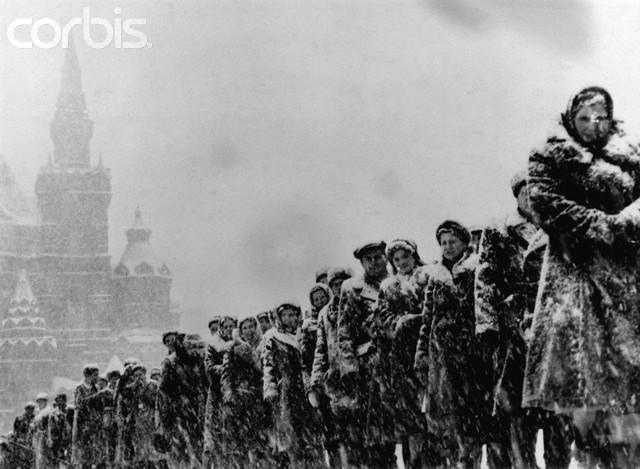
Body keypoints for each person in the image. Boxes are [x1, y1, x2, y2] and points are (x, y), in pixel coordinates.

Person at [523, 86, 640, 468]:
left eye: (601, 117)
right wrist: (601, 225)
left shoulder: (632, 156)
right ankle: (589, 454)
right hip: (574, 282)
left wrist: (625, 223)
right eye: (585, 118)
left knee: (627, 394)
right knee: (581, 392)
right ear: (571, 119)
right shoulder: (548, 155)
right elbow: (545, 203)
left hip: (625, 285)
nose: (593, 124)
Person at [474, 172, 543, 469]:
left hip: (548, 322)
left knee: (554, 406)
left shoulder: (556, 225)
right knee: (514, 406)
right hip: (512, 324)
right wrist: (488, 323)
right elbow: (485, 278)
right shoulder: (499, 228)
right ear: (516, 195)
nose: (533, 195)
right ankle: (523, 462)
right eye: (526, 190)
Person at [414, 221, 491, 468]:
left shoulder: (476, 268)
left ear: (464, 242)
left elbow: (484, 310)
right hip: (442, 360)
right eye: (443, 242)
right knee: (445, 424)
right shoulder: (435, 276)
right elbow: (428, 318)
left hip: (470, 358)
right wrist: (422, 355)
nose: (448, 247)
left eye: (452, 241)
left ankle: (471, 462)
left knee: (471, 421)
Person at [337, 240, 397, 469]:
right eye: (368, 259)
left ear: (385, 257)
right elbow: (344, 332)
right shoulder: (352, 288)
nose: (374, 263)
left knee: (409, 428)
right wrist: (351, 368)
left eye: (378, 257)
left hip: (399, 366)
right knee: (377, 435)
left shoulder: (398, 280)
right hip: (371, 369)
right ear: (361, 263)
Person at [378, 238, 428, 469]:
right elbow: (383, 319)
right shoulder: (388, 286)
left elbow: (435, 309)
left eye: (405, 257)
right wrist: (401, 324)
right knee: (410, 420)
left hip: (428, 351)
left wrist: (416, 321)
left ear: (414, 255)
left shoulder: (429, 276)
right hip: (402, 357)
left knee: (431, 415)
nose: (401, 263)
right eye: (396, 259)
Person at [262, 302, 324, 468]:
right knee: (291, 437)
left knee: (313, 433)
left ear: (297, 316)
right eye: (284, 315)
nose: (288, 319)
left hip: (307, 388)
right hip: (287, 390)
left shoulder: (305, 333)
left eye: (292, 315)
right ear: (279, 318)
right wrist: (270, 389)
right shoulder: (273, 337)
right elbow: (269, 366)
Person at [309, 266, 352, 468]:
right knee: (335, 434)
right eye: (330, 284)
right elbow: (320, 350)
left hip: (355, 376)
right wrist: (316, 381)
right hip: (332, 381)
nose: (334, 287)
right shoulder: (323, 315)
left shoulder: (353, 302)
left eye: (336, 283)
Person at [218, 316, 269, 467]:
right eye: (244, 328)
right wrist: (229, 395)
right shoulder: (232, 349)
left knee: (262, 445)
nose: (248, 331)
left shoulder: (265, 344)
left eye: (251, 327)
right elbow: (226, 375)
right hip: (240, 401)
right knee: (240, 445)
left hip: (260, 399)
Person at [156, 333, 207, 468]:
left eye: (195, 346)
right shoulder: (171, 362)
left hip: (197, 415)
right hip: (177, 416)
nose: (193, 349)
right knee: (180, 455)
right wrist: (165, 420)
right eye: (189, 346)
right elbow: (163, 393)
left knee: (198, 453)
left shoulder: (200, 361)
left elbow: (205, 386)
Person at [203, 316, 236, 468]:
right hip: (217, 393)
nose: (229, 329)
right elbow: (209, 367)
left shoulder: (238, 343)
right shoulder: (212, 346)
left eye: (232, 326)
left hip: (235, 392)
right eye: (226, 327)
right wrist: (224, 368)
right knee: (215, 432)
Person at [72, 364, 108, 469]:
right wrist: (98, 396)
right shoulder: (80, 388)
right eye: (95, 375)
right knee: (86, 457)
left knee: (99, 455)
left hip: (96, 426)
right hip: (84, 427)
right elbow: (81, 404)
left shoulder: (95, 388)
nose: (97, 377)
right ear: (88, 375)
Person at [300, 283, 331, 390]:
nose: (320, 301)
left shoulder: (335, 315)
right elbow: (306, 357)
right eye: (316, 299)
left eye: (322, 297)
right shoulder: (309, 326)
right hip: (320, 370)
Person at [12, 402, 36, 469]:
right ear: (25, 409)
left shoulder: (36, 419)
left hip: (32, 445)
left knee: (31, 463)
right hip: (21, 445)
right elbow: (15, 432)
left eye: (31, 409)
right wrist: (17, 441)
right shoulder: (19, 419)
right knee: (22, 463)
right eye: (28, 409)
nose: (30, 411)